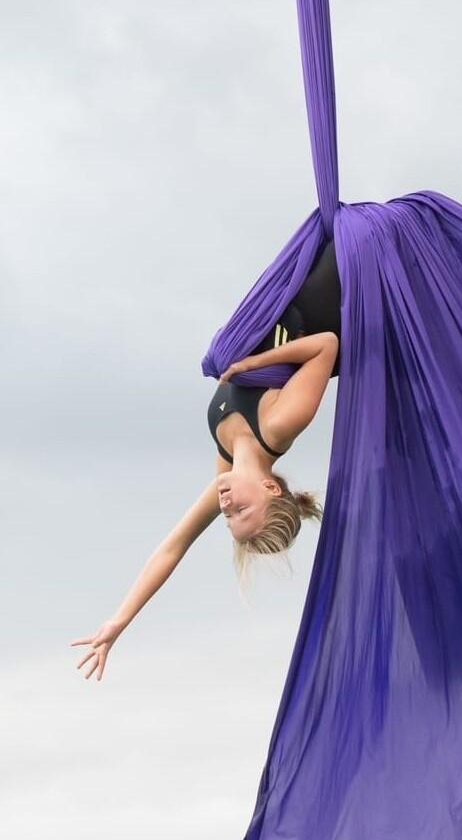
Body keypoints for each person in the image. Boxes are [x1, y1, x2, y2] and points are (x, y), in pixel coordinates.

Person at [72, 238, 342, 681]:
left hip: (283, 299)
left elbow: (172, 547)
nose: (226, 506)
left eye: (228, 516)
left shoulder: (224, 463)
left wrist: (119, 621)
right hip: (322, 303)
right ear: (272, 488)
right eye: (241, 510)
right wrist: (257, 362)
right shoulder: (277, 426)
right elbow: (326, 346)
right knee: (364, 232)